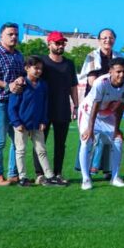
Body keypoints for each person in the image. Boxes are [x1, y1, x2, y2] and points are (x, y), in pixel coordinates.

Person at [77, 57, 124, 190]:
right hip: (89, 113)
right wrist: (90, 129)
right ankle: (86, 179)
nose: (121, 75)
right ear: (110, 71)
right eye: (118, 72)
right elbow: (95, 106)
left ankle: (115, 177)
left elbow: (121, 106)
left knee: (117, 140)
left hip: (106, 114)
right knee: (86, 140)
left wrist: (117, 129)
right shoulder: (101, 82)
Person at [8, 56, 64, 187]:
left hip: (37, 124)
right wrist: (16, 122)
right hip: (21, 124)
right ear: (27, 68)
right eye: (36, 68)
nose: (39, 71)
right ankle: (22, 178)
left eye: (41, 69)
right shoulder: (20, 84)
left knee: (41, 150)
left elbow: (45, 104)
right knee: (21, 150)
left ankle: (49, 176)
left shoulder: (43, 85)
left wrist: (43, 120)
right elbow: (11, 107)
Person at [34, 31, 78, 185]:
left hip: (63, 108)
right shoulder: (42, 63)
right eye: (57, 43)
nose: (60, 46)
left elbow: (73, 87)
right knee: (40, 143)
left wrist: (76, 106)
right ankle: (40, 174)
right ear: (49, 44)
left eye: (62, 43)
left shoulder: (69, 64)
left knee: (60, 144)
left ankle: (58, 173)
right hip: (43, 110)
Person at [0, 22, 25, 186]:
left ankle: (13, 174)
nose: (14, 37)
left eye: (16, 34)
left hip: (15, 103)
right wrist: (7, 85)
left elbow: (22, 74)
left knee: (18, 140)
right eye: (10, 34)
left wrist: (21, 79)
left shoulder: (18, 55)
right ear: (1, 36)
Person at [79, 28, 121, 96]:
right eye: (105, 38)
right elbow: (92, 82)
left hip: (114, 95)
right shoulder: (92, 56)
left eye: (111, 38)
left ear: (114, 40)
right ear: (99, 40)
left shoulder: (119, 57)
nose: (108, 40)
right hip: (95, 95)